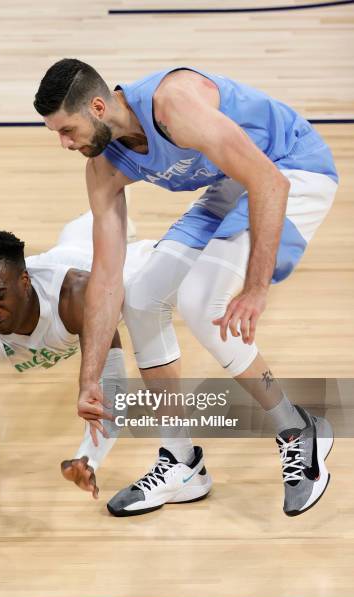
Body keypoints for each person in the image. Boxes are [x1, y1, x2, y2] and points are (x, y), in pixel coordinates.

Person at [34, 59, 338, 517]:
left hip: (293, 170)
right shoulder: (103, 168)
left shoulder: (173, 105)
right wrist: (90, 377)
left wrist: (256, 287)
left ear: (99, 106)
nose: (63, 143)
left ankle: (297, 429)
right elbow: (106, 277)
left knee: (202, 301)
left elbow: (269, 182)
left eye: (67, 129)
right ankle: (181, 461)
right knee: (140, 298)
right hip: (234, 182)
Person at [0, 214, 210, 507]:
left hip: (113, 272)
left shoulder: (79, 297)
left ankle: (119, 226)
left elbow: (112, 393)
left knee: (194, 284)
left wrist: (87, 457)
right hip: (68, 252)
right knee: (77, 236)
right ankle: (97, 222)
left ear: (24, 282)